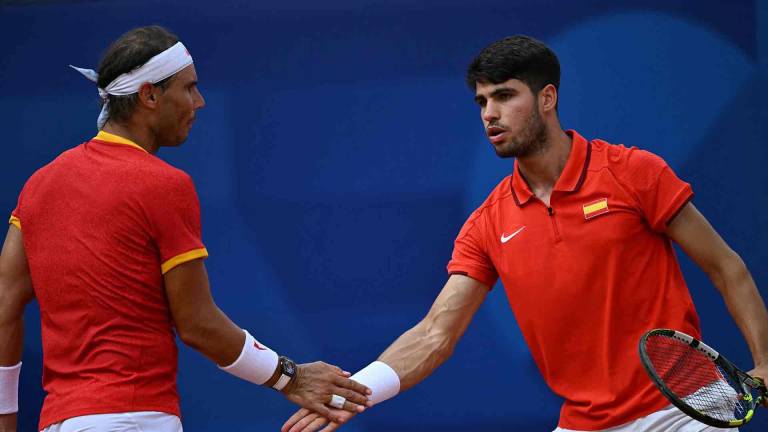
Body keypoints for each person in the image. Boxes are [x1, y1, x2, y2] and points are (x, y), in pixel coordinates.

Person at [281, 35, 768, 432]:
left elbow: (726, 267)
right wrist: (357, 390)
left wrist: (764, 362)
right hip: (583, 423)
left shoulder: (632, 172)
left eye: (504, 95)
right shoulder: (488, 222)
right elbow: (435, 333)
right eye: (481, 101)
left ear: (547, 98)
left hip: (682, 409)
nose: (488, 113)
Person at [0, 25, 371, 432]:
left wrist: (5, 420)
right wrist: (291, 376)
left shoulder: (38, 185)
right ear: (150, 95)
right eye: (188, 88)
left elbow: (4, 305)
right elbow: (197, 324)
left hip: (59, 422)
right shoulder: (163, 184)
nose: (199, 101)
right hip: (134, 420)